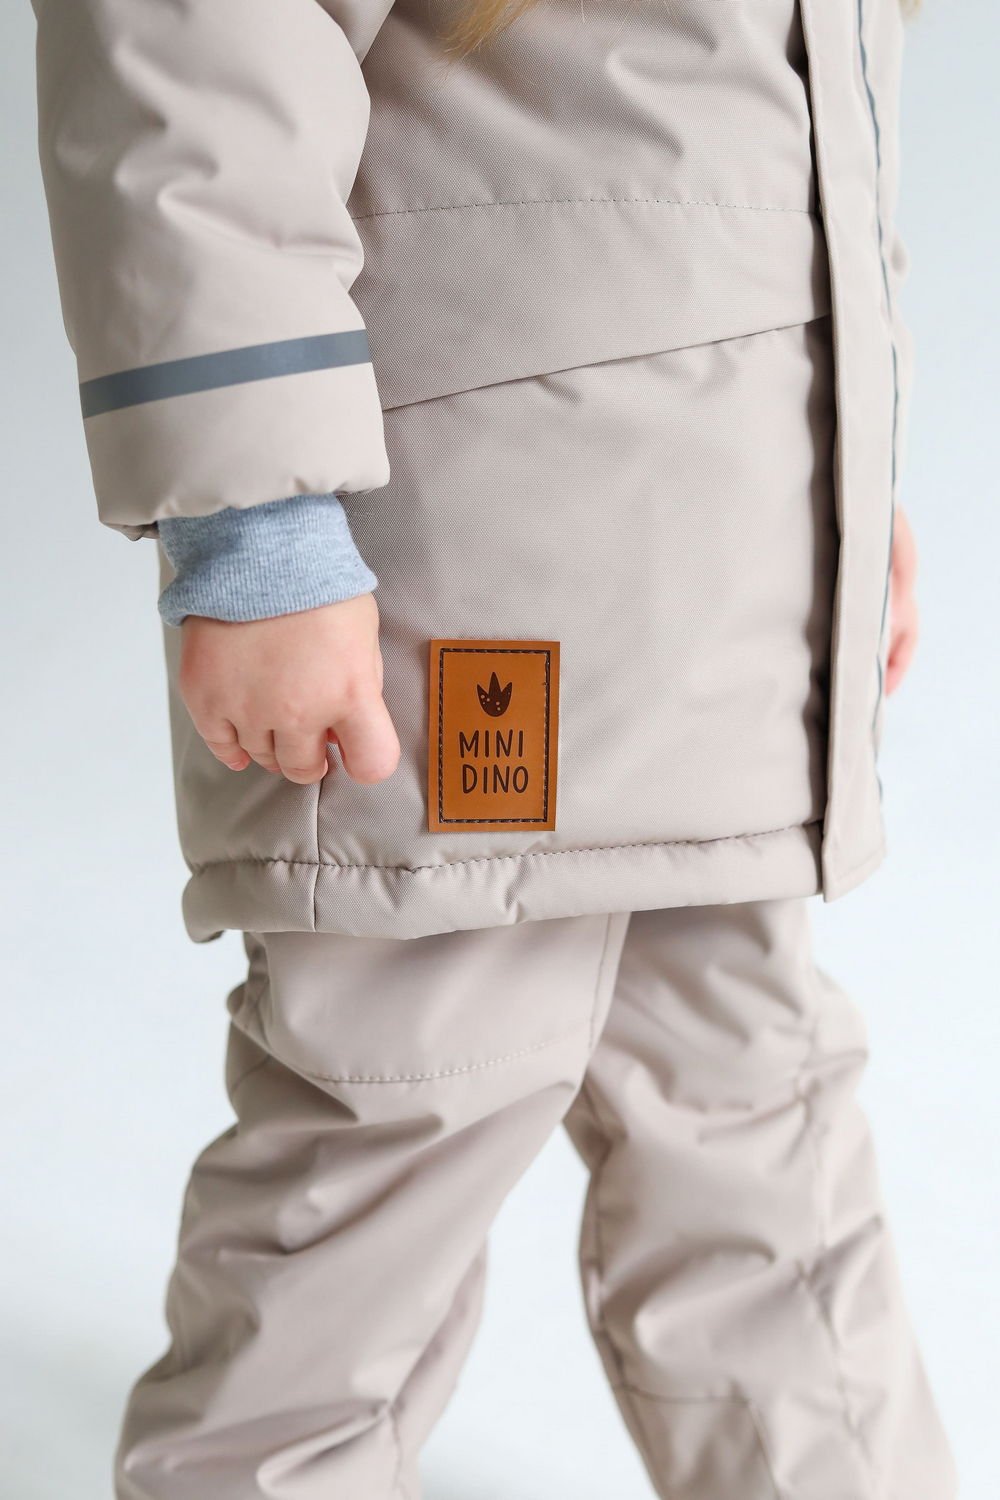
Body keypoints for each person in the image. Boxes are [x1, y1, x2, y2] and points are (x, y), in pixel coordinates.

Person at [30, 0, 955, 1495]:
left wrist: (849, 474)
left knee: (756, 1137)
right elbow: (198, 40)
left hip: (720, 577)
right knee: (388, 1144)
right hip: (477, 580)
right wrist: (255, 525)